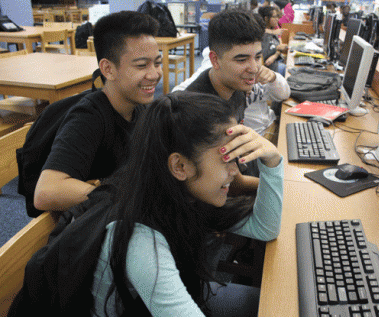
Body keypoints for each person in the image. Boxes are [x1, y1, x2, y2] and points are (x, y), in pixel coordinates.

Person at [10, 92, 284, 316]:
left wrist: (272, 161)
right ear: (179, 165)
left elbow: (265, 228)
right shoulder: (140, 239)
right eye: (227, 158)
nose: (236, 171)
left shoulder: (178, 195)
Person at [33, 11, 163, 212]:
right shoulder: (89, 117)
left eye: (157, 62)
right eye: (141, 65)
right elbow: (46, 192)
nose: (154, 74)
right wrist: (126, 195)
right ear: (108, 69)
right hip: (91, 226)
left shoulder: (139, 106)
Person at [185, 10, 276, 183]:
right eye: (241, 60)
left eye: (257, 57)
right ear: (215, 60)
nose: (254, 68)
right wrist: (278, 182)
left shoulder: (236, 86)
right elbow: (233, 184)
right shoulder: (201, 112)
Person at [259, 6, 288, 77]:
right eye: (274, 17)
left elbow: (279, 47)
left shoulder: (273, 30)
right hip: (271, 66)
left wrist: (276, 55)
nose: (277, 19)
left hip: (277, 59)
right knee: (284, 68)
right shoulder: (264, 35)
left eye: (277, 17)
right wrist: (278, 50)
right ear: (266, 18)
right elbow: (266, 61)